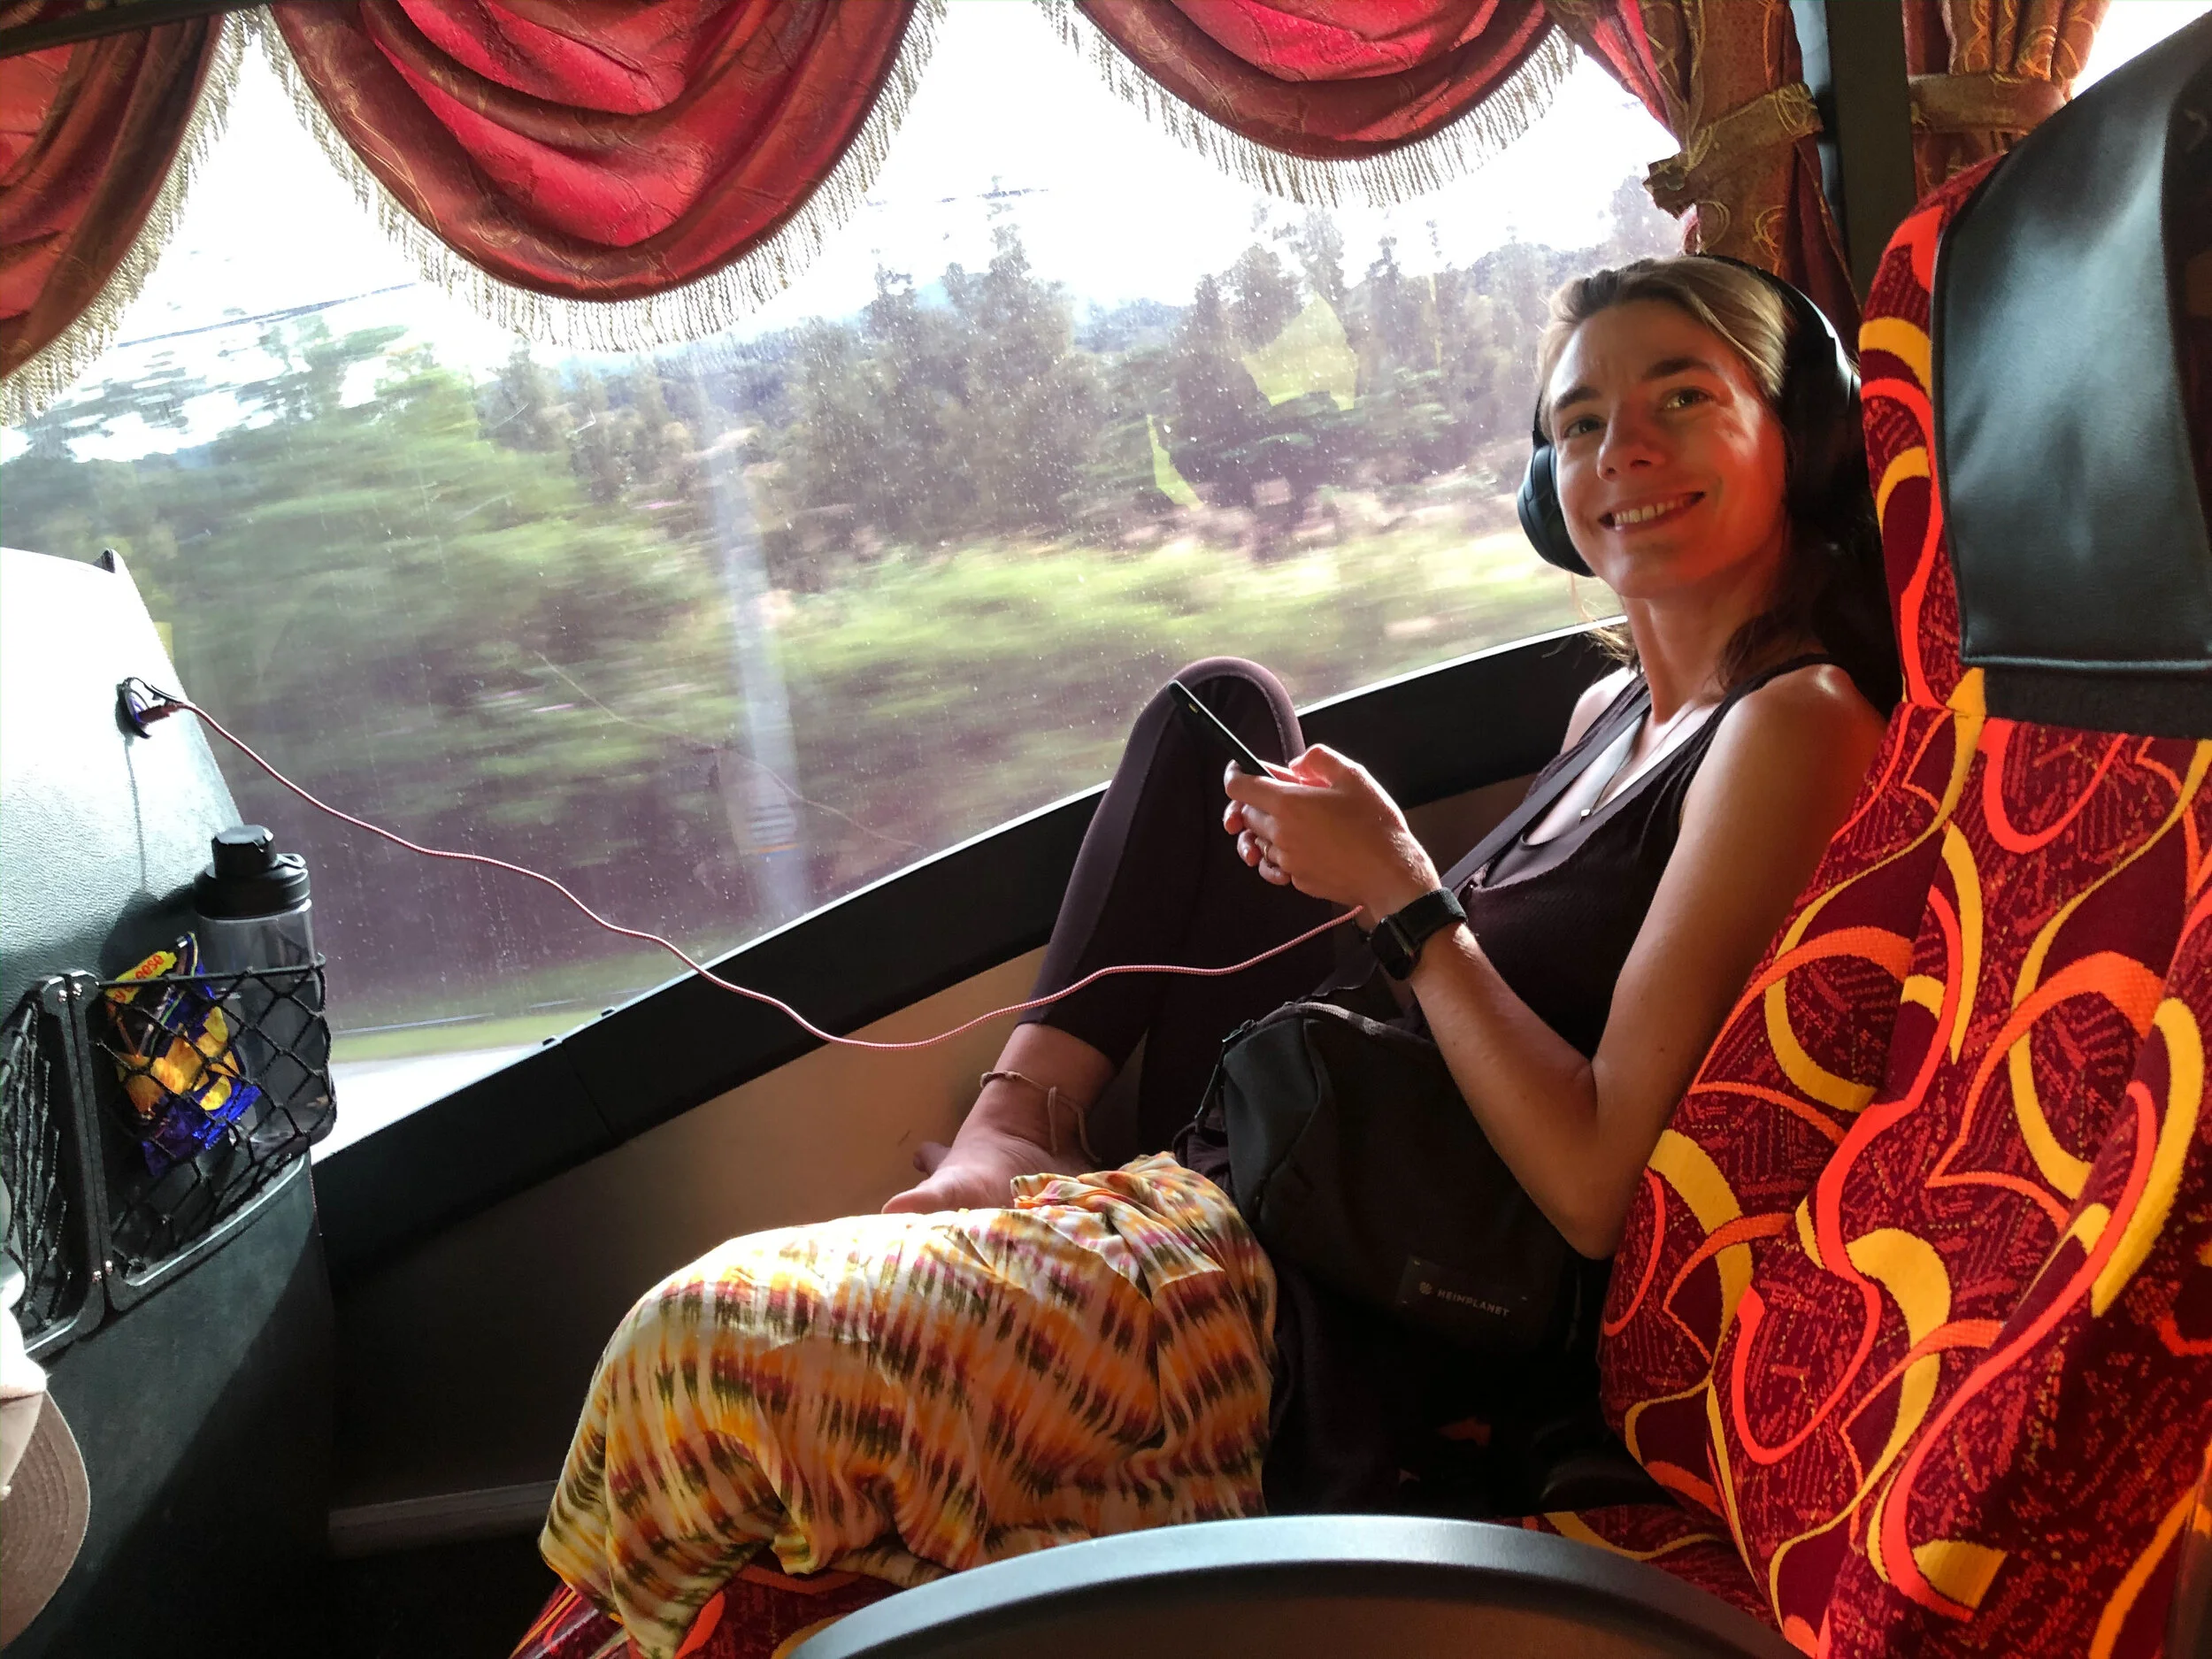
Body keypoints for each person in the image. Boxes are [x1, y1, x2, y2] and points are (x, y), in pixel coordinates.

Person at [539, 257, 1895, 1659]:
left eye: (1684, 398)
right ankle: (1016, 1132)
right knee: (1218, 713)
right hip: (1276, 1163)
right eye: (1581, 423)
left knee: (697, 1349)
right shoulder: (1608, 712)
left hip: (1336, 1301)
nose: (1623, 452)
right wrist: (1367, 887)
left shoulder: (1790, 722)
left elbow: (1598, 1185)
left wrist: (1401, 891)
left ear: (1800, 433)